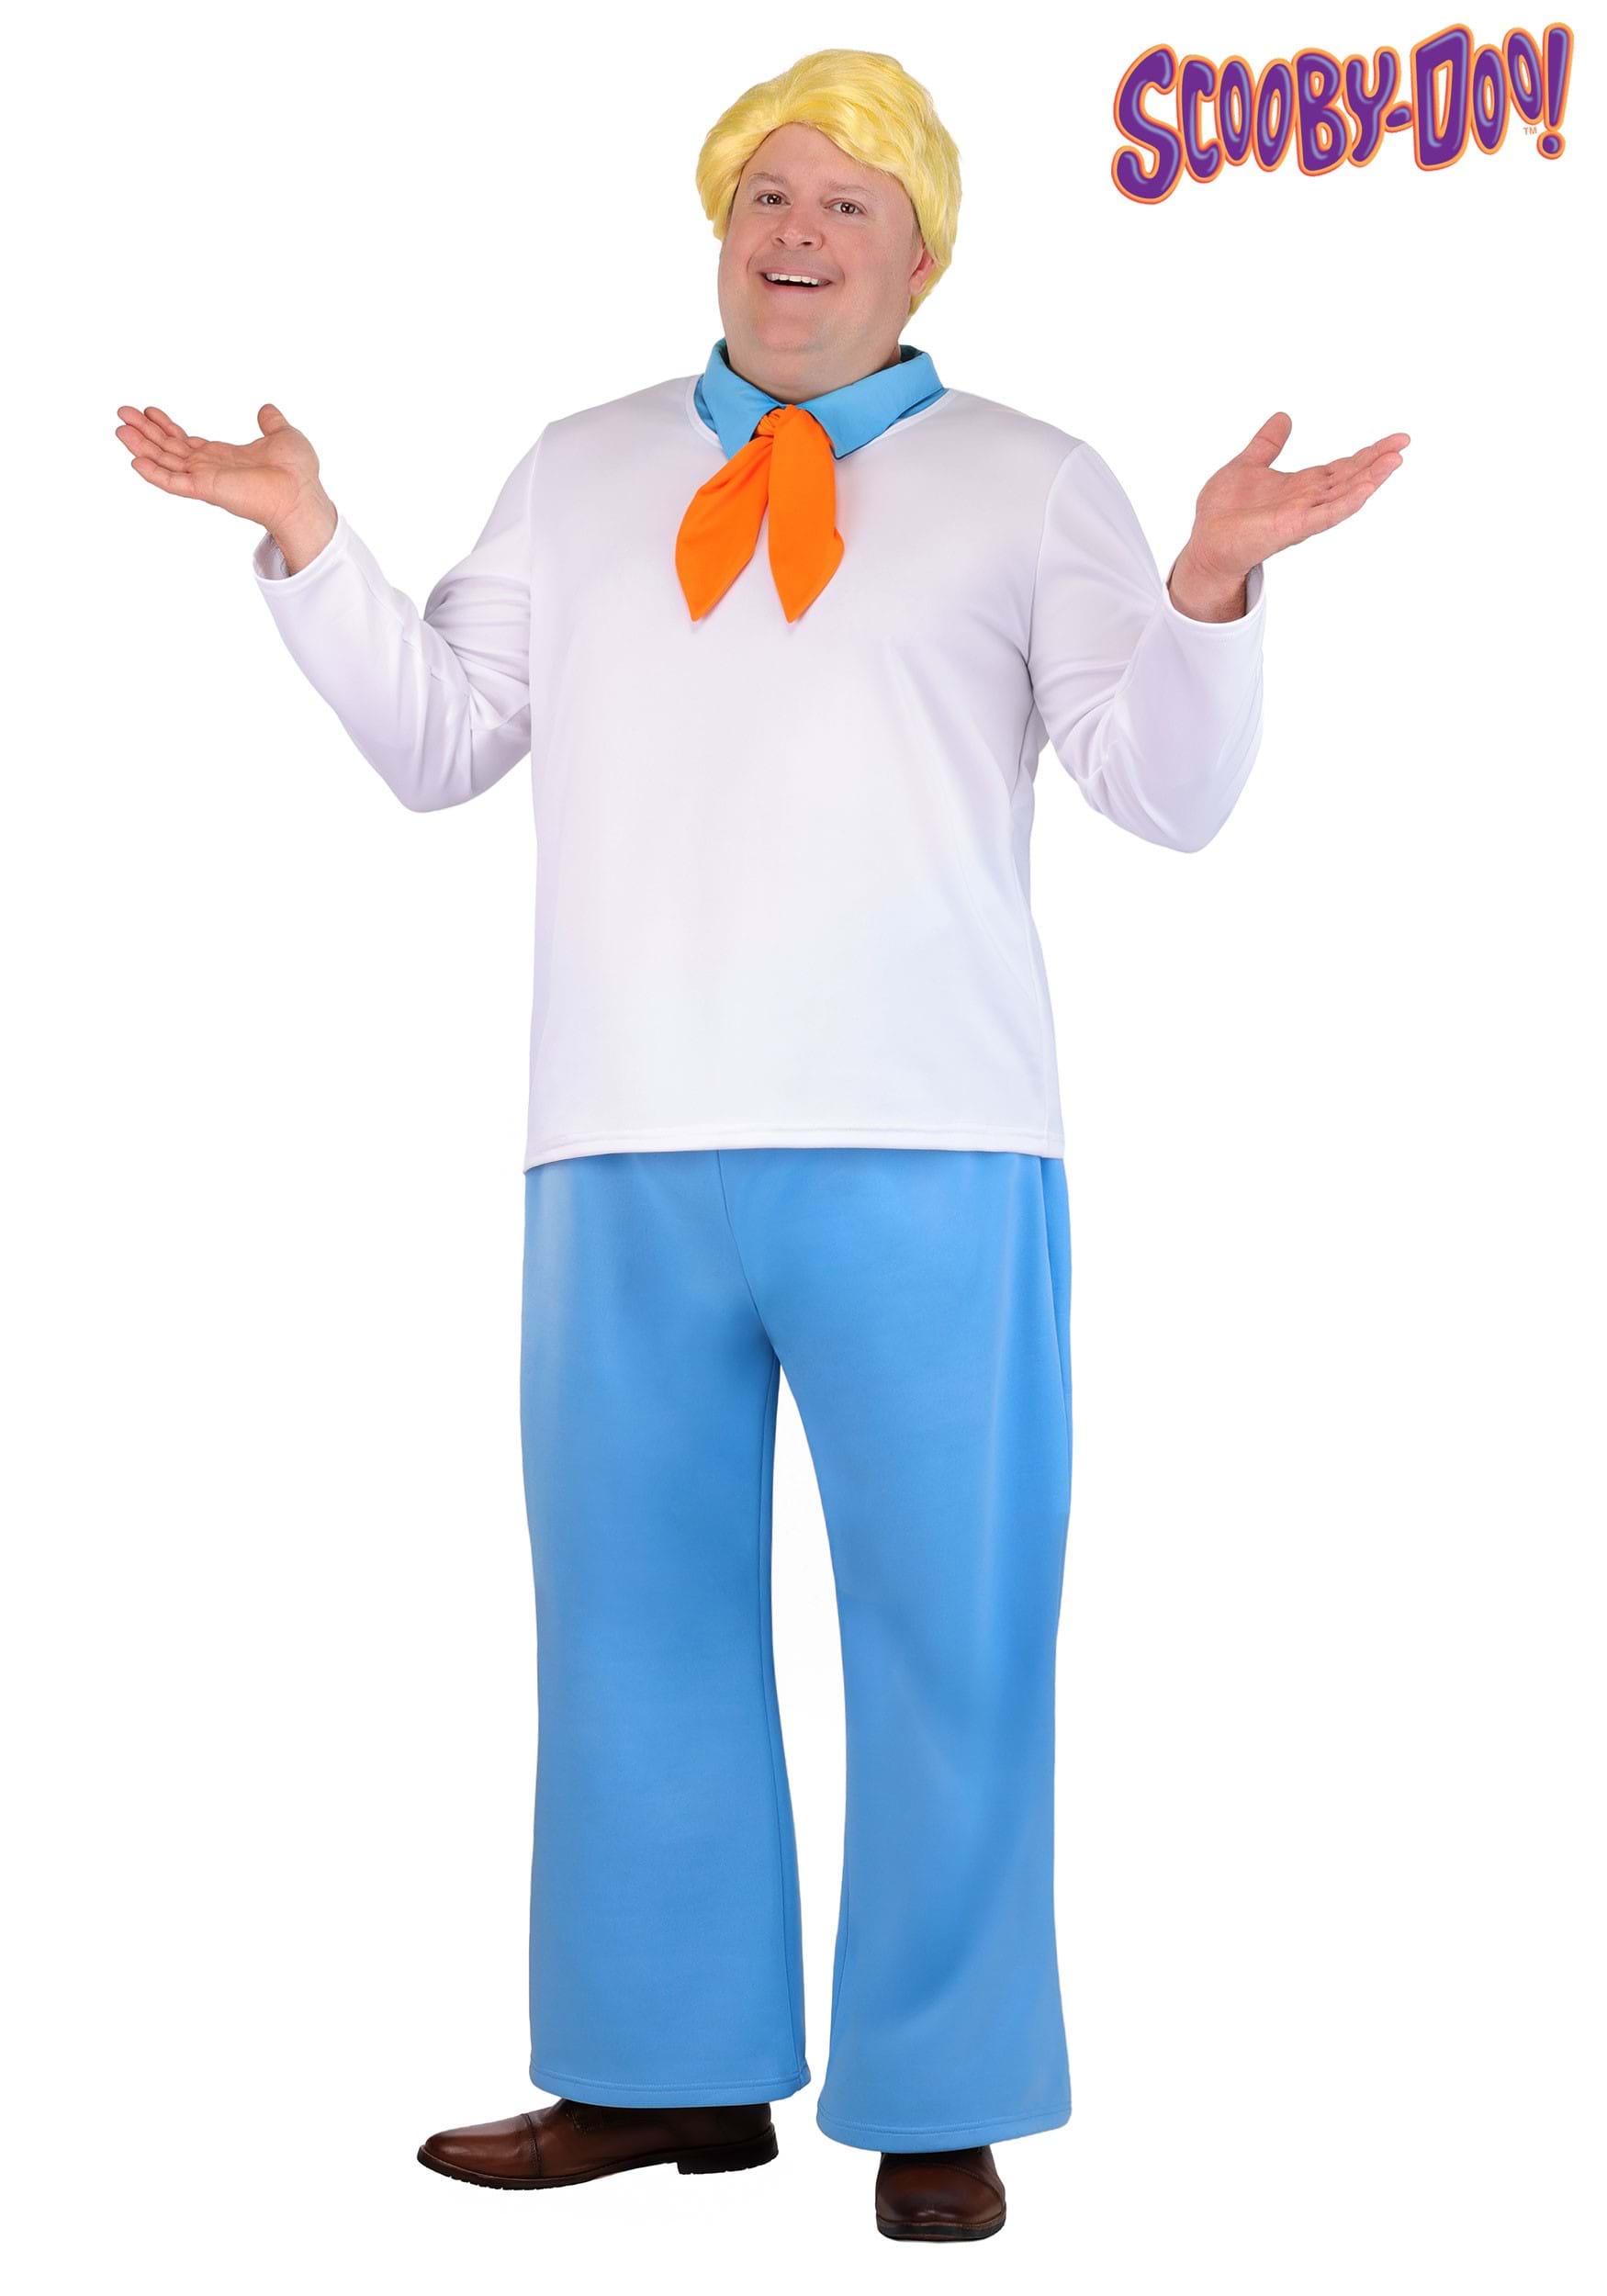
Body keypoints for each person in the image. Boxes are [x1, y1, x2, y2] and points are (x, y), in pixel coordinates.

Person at [115, 45, 1406, 2245]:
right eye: (762, 198)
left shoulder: (1025, 480)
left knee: (950, 1631)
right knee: (628, 1624)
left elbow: (1161, 791)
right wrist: (311, 542)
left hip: (928, 1138)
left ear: (920, 255)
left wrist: (1205, 588)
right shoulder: (580, 467)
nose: (794, 236)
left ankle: (939, 2086)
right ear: (718, 232)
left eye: (844, 204)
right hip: (619, 1136)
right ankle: (661, 2069)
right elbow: (441, 740)